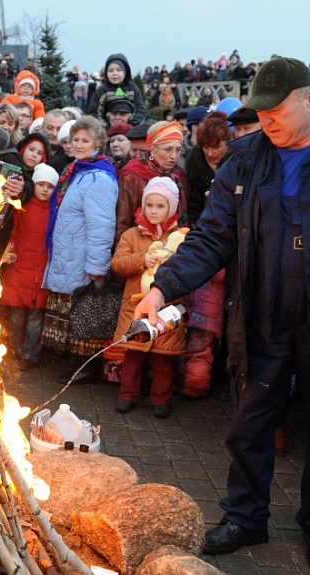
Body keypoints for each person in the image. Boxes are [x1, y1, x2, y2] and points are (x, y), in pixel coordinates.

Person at [133, 56, 310, 560]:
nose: (267, 121)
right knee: (250, 420)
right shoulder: (246, 160)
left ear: (308, 99)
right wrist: (162, 289)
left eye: (276, 111)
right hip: (262, 313)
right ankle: (245, 517)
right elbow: (211, 238)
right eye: (261, 113)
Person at [41, 115, 118, 380]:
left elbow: (101, 226)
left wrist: (97, 266)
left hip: (81, 255)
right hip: (68, 252)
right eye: (76, 139)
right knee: (72, 311)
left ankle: (85, 367)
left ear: (98, 143)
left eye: (86, 140)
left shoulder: (98, 178)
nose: (79, 144)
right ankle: (74, 363)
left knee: (83, 315)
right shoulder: (77, 171)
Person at [111, 177, 186, 418]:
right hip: (136, 305)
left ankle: (161, 398)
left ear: (172, 208)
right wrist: (141, 259)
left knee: (164, 358)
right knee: (133, 352)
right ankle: (127, 394)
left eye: (160, 206)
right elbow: (118, 264)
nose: (153, 211)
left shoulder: (181, 237)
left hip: (168, 306)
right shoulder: (132, 235)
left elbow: (188, 267)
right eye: (149, 205)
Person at [0, 163, 58, 371]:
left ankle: (30, 354)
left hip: (41, 273)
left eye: (49, 186)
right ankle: (15, 350)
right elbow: (14, 232)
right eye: (40, 184)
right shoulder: (23, 207)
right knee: (16, 317)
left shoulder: (55, 211)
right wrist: (10, 251)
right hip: (20, 270)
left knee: (35, 320)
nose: (44, 189)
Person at [114, 121, 190, 245]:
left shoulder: (178, 173)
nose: (174, 156)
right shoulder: (131, 174)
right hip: (141, 249)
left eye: (178, 150)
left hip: (174, 246)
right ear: (152, 148)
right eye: (168, 149)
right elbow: (122, 222)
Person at [86, 53, 146, 127]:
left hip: (129, 129)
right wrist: (104, 128)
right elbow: (94, 111)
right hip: (106, 130)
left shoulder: (132, 89)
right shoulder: (102, 91)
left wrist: (132, 124)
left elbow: (140, 109)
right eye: (110, 71)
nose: (114, 73)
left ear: (125, 71)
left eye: (119, 70)